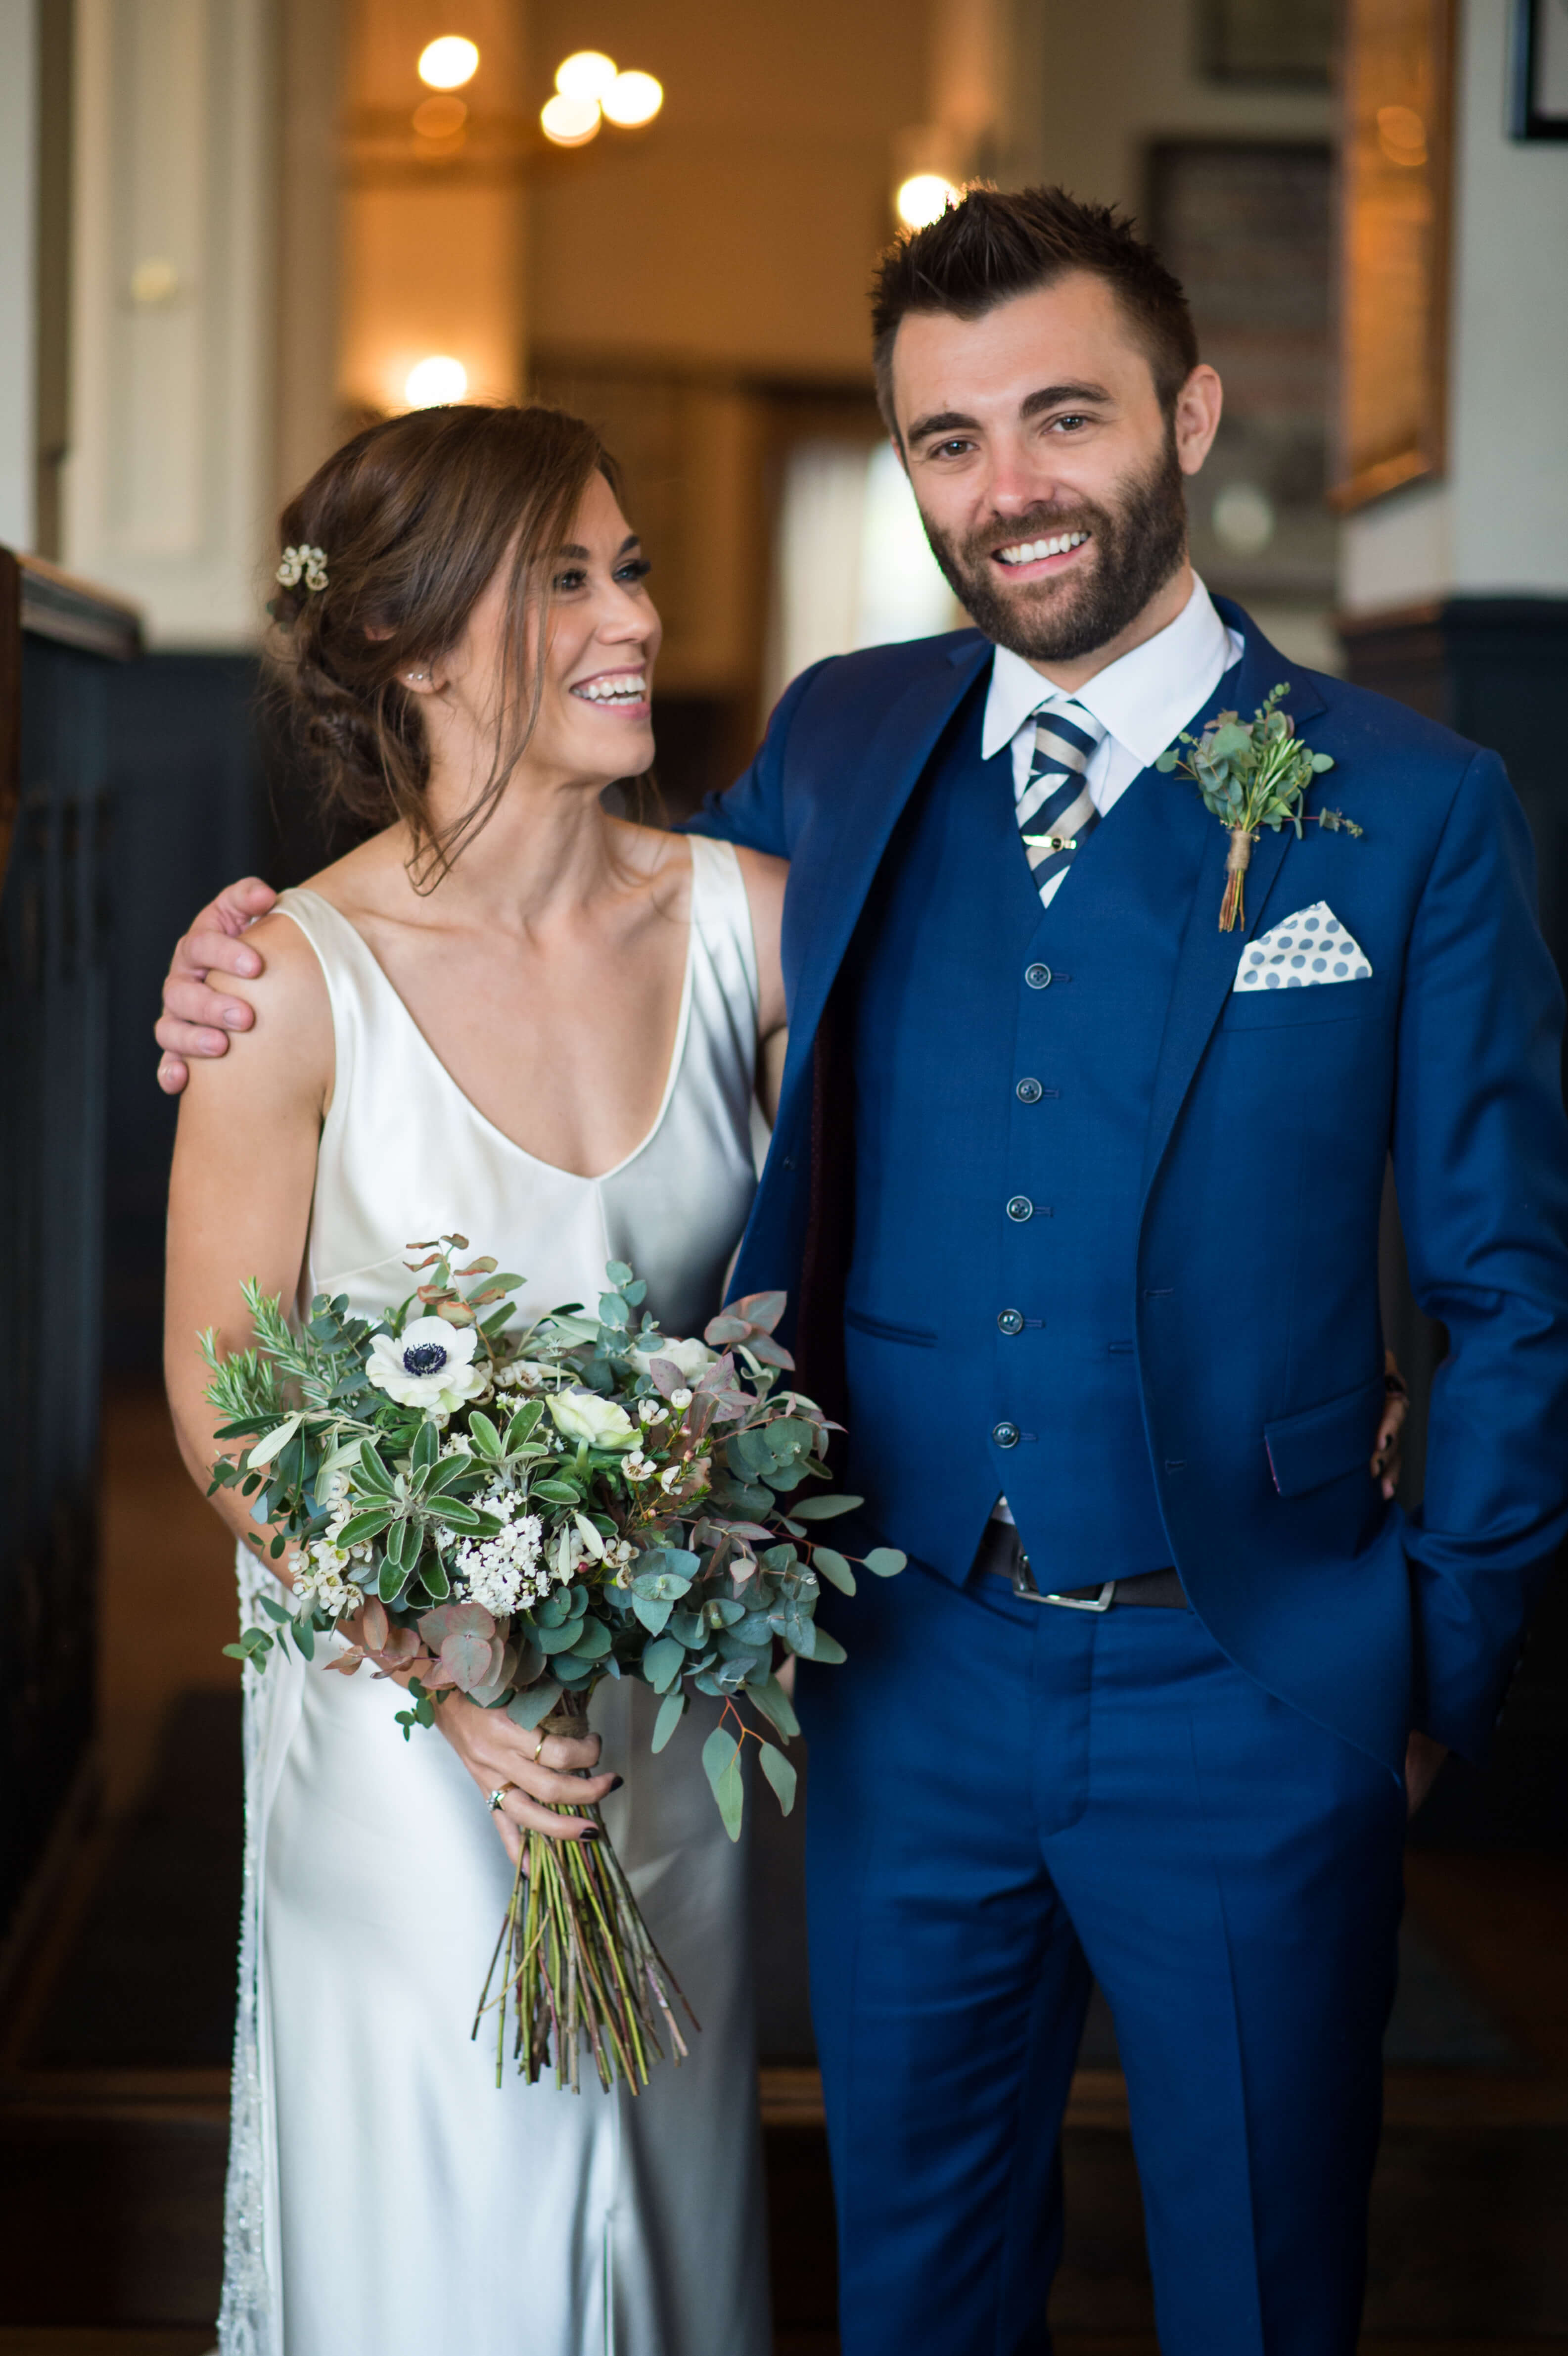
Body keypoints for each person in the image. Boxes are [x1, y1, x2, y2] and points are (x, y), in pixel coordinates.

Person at [154, 187, 1564, 2355]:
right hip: (894, 1693)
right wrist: (248, 954)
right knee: (913, 2291)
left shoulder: (1407, 803)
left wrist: (1424, 1672)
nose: (1006, 491)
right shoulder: (847, 743)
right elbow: (536, 874)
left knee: (1267, 2292)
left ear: (1184, 416)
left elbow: (1510, 1292)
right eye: (944, 442)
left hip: (1252, 1688)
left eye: (1061, 418)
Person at [163, 402, 785, 2356]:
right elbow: (225, 1411)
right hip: (395, 1726)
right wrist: (439, 1663)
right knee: (456, 2242)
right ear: (412, 650)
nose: (629, 620)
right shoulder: (285, 981)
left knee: (656, 2211)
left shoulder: (753, 930)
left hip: (659, 1717)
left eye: (632, 568)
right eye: (564, 583)